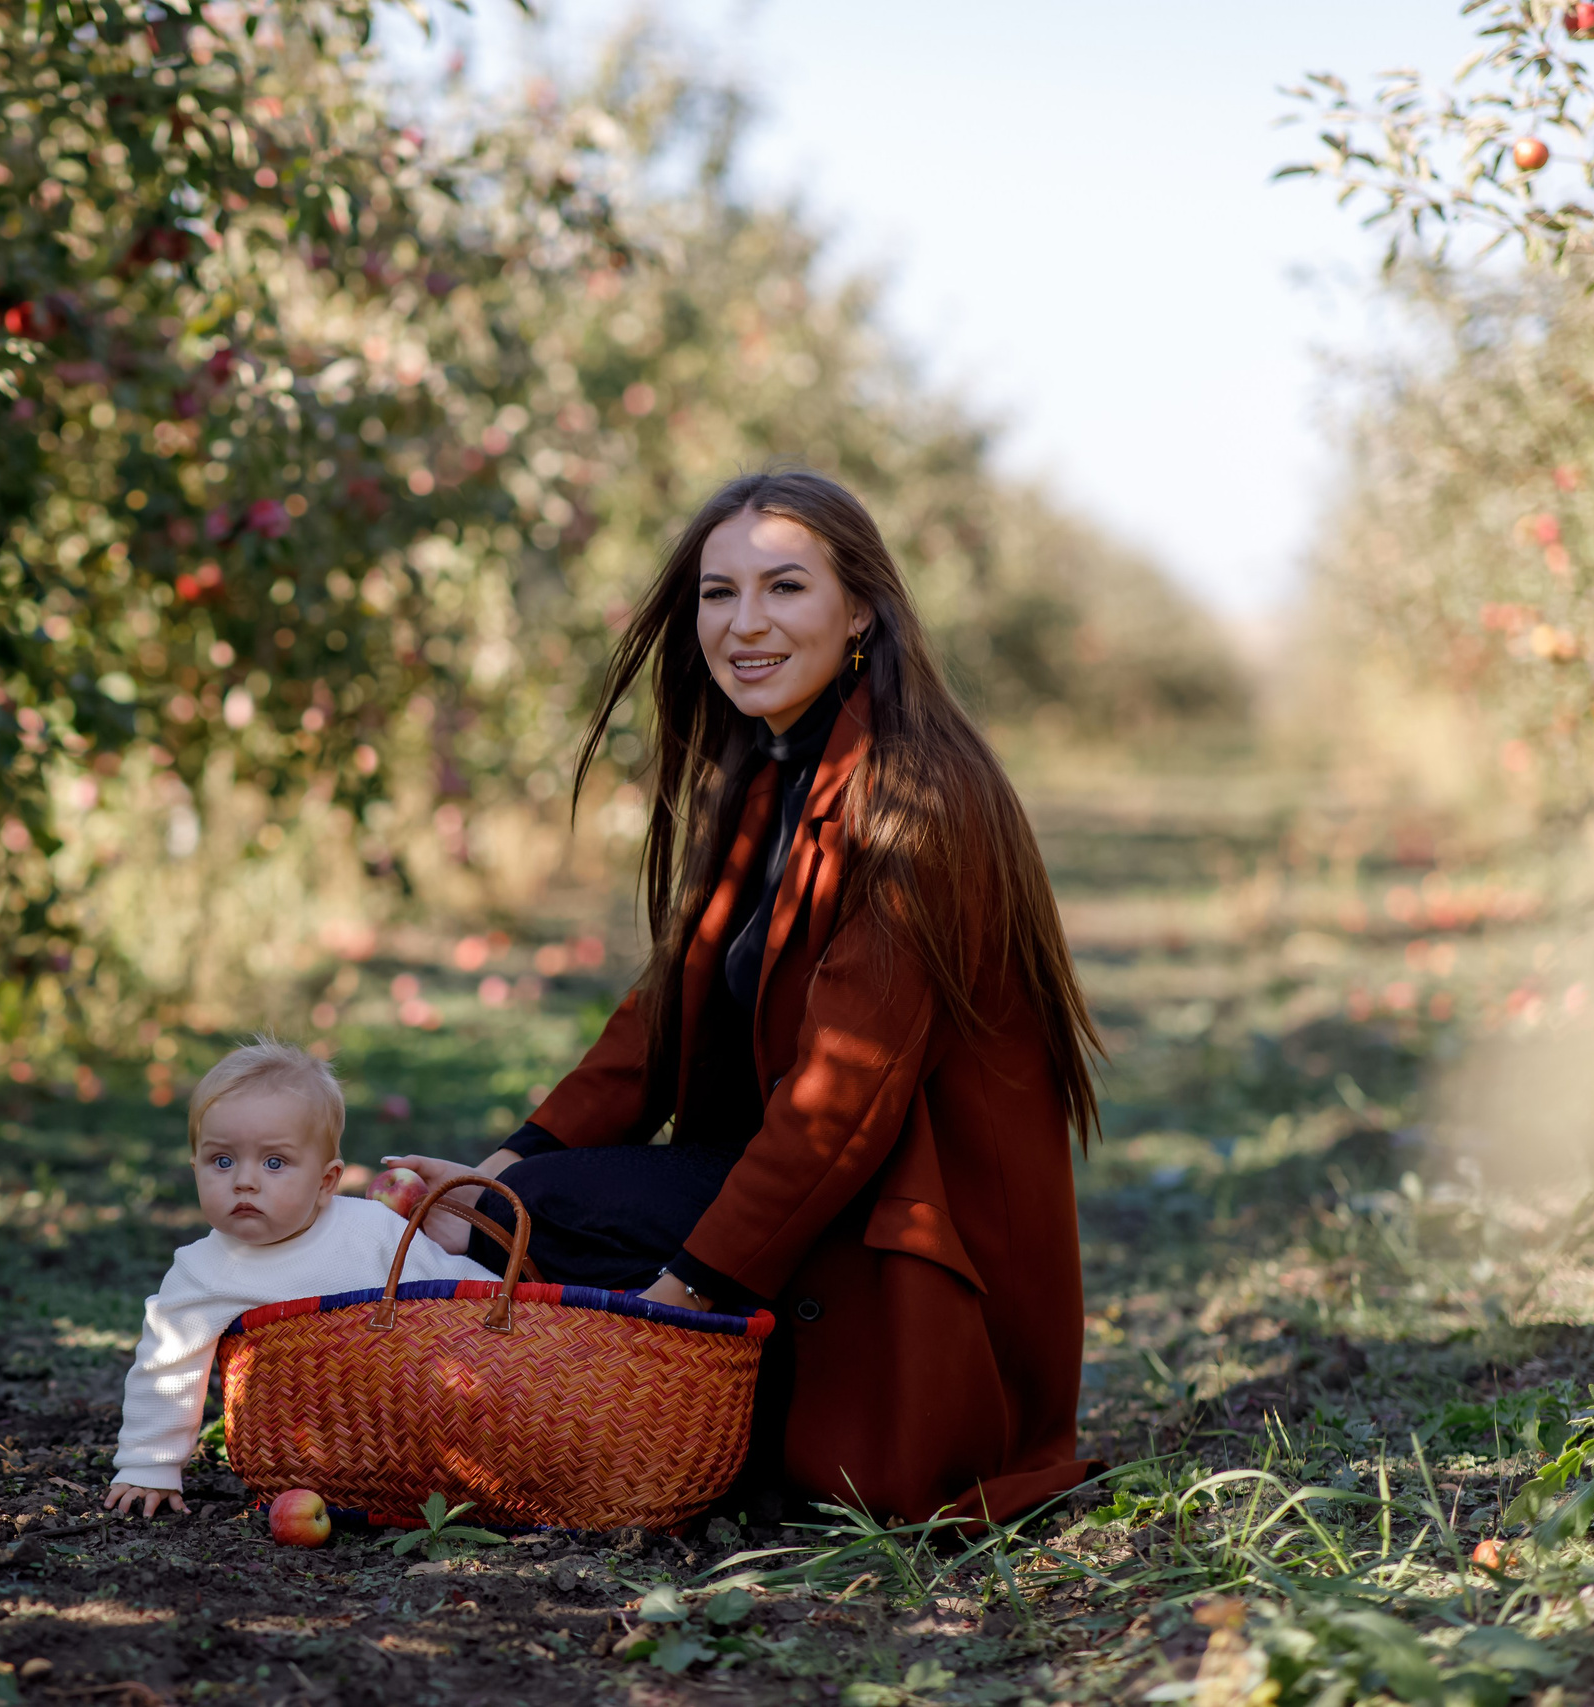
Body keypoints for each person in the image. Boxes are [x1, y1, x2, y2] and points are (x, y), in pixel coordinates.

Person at [384, 470, 1104, 1527]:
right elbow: (657, 1022)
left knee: (542, 1225)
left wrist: (678, 1306)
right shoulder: (770, 774)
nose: (743, 623)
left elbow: (840, 1101)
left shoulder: (916, 797)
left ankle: (700, 1411)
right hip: (828, 1201)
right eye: (718, 594)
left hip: (917, 1256)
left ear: (858, 609)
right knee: (512, 1213)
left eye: (783, 588)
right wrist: (494, 1175)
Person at [105, 1038, 496, 1517]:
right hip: (305, 1445)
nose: (244, 1180)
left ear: (326, 1180)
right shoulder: (203, 1269)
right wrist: (150, 1465)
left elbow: (453, 1290)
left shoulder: (373, 1230)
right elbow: (166, 1364)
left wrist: (513, 1313)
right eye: (221, 1161)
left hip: (412, 1417)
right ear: (195, 1167)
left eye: (274, 1162)